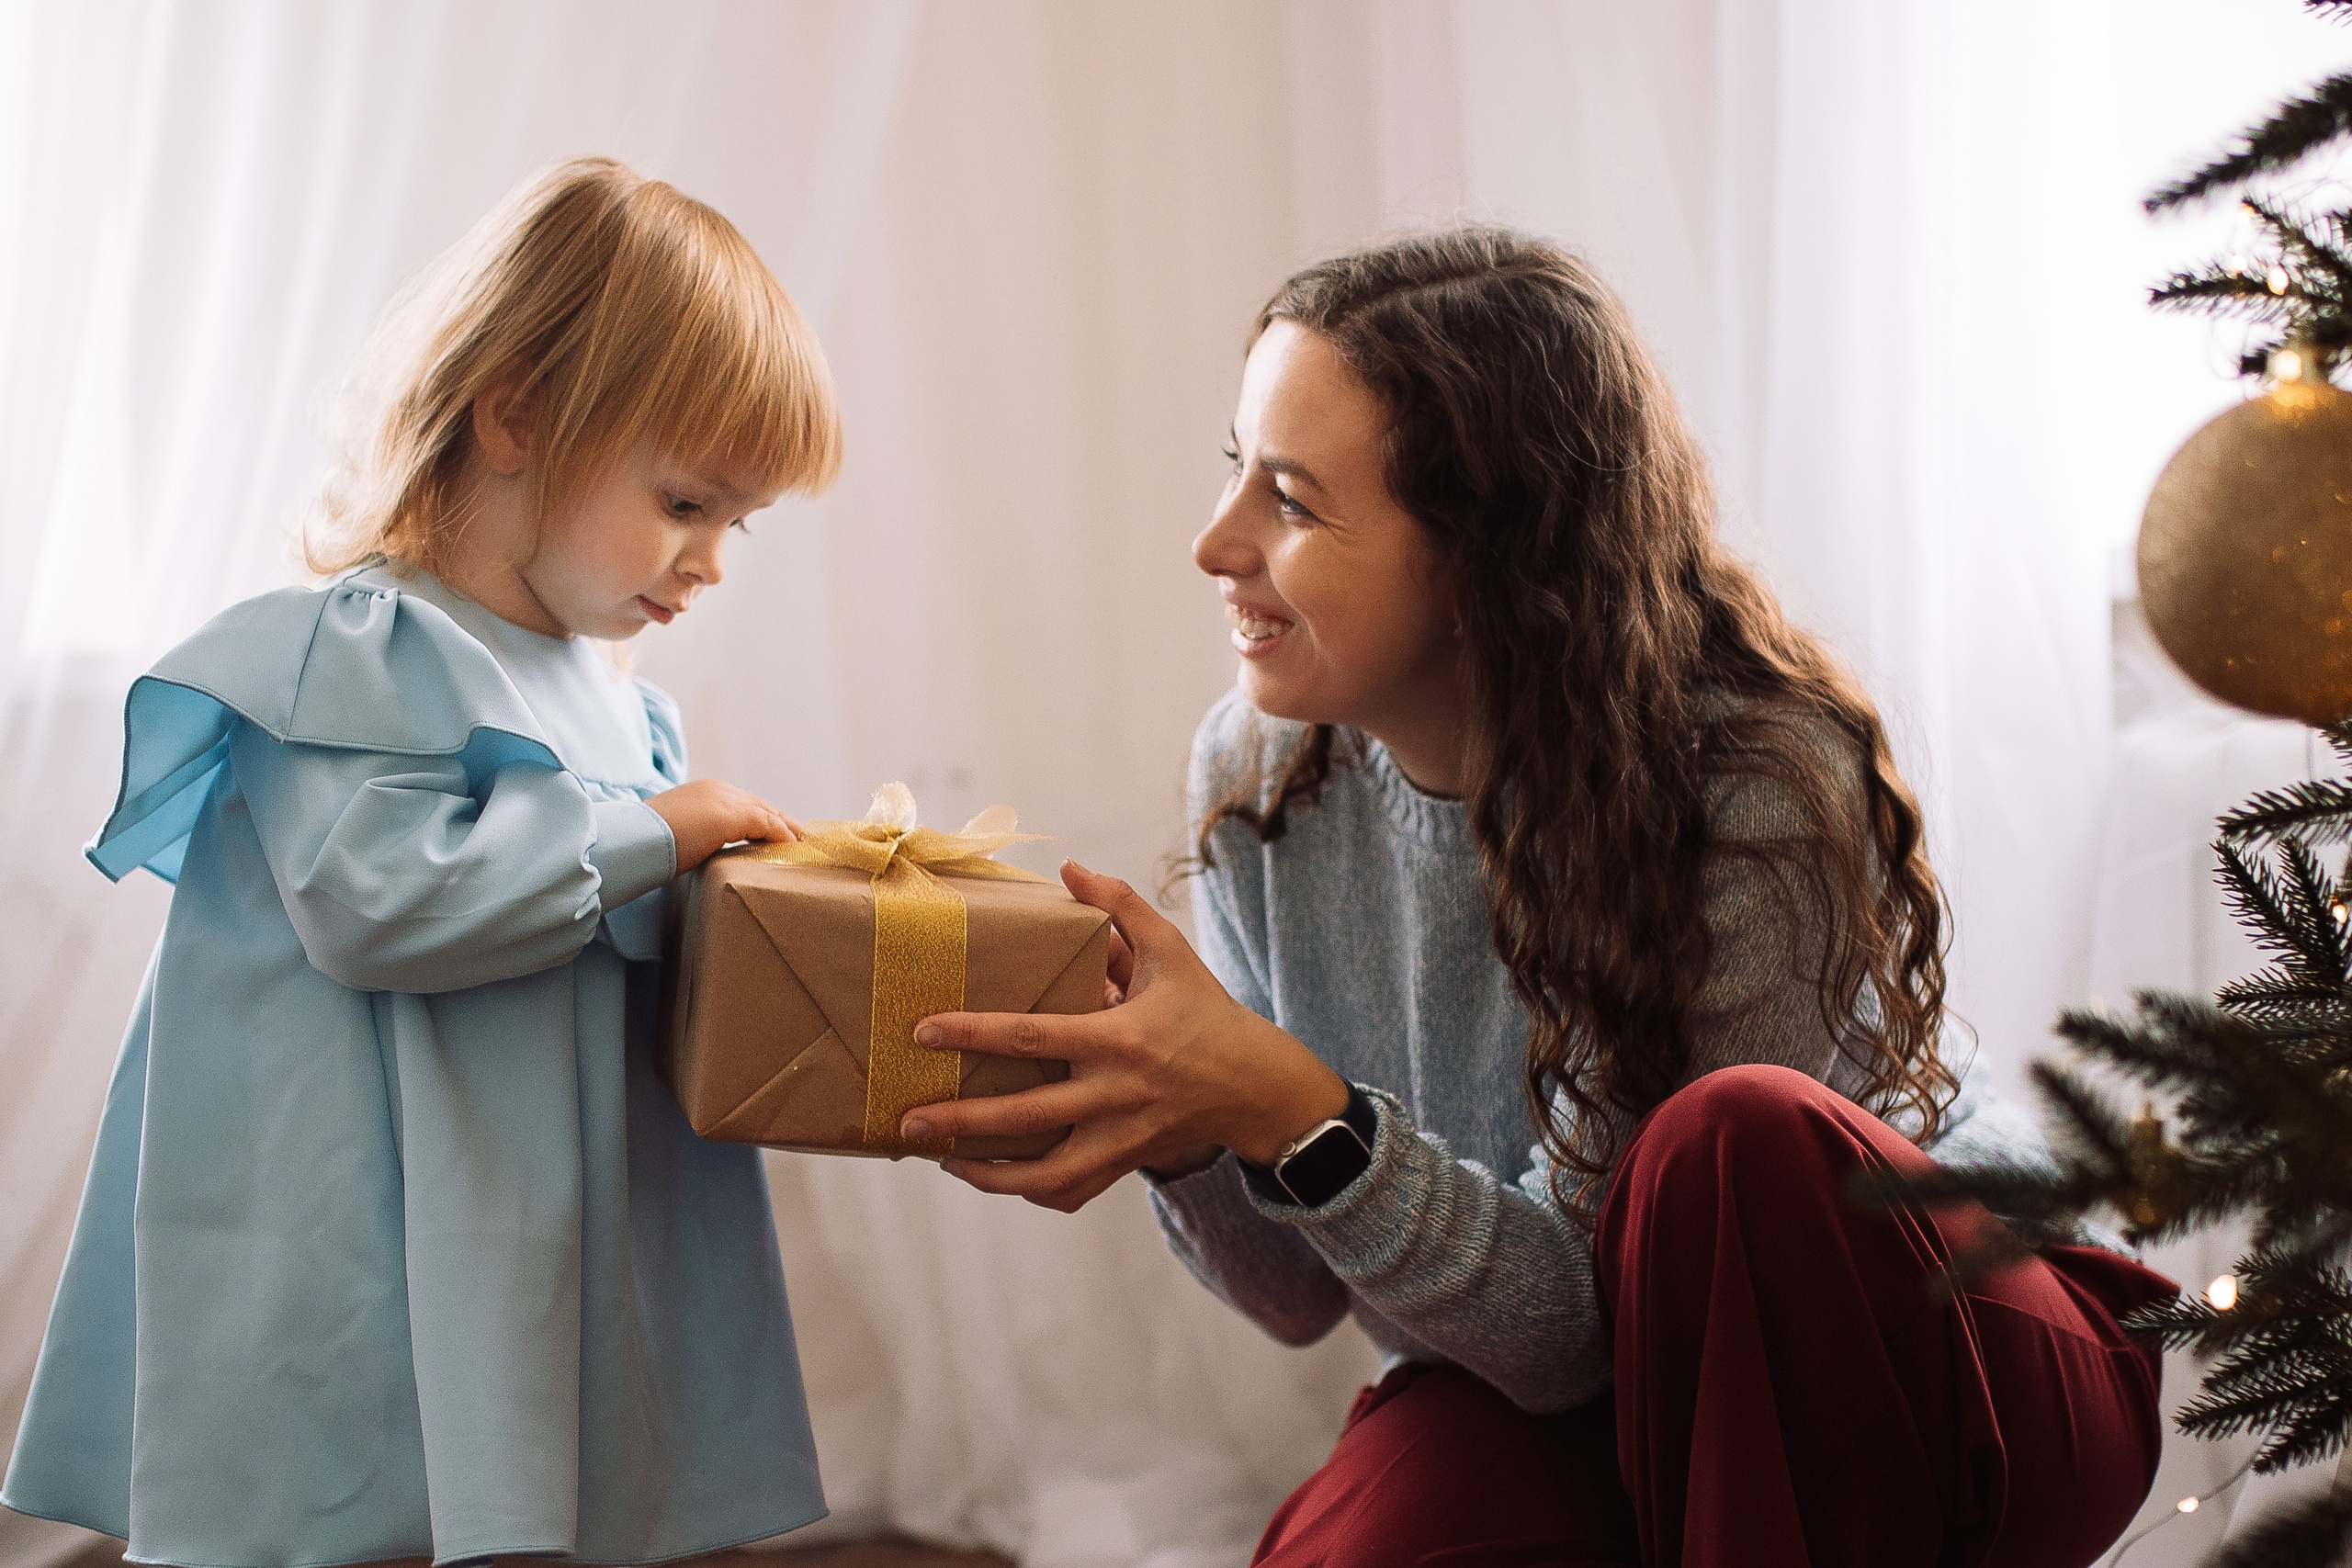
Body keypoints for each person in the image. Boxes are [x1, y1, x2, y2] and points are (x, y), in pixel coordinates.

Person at [900, 231, 2176, 1567]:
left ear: (1488, 557)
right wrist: (1182, 1117)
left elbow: (1596, 1323)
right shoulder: (1263, 766)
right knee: (1377, 1536)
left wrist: (1291, 1106)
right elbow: (1290, 1298)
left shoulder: (1751, 783)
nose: (1217, 543)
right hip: (1579, 1399)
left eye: (1291, 498)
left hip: (1946, 1359)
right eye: (1238, 470)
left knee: (1727, 1138)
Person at [2, 159, 831, 1568]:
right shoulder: (357, 653)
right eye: (687, 502)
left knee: (530, 1482)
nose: (709, 563)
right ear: (514, 414)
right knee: (344, 1482)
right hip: (359, 1203)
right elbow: (386, 908)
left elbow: (606, 932)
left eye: (735, 524)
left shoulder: (610, 696)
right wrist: (663, 832)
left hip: (531, 1189)